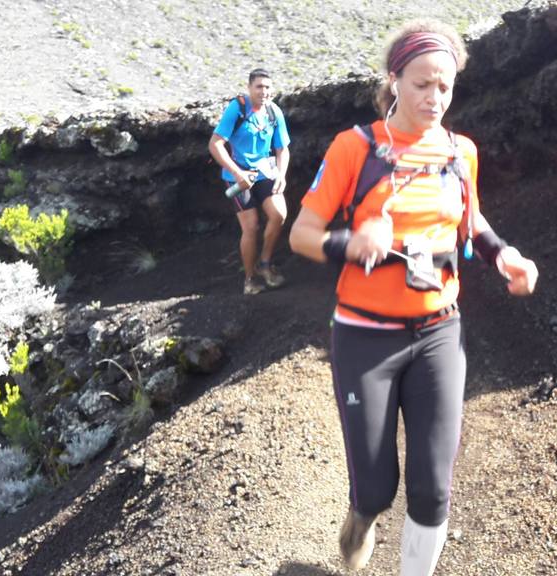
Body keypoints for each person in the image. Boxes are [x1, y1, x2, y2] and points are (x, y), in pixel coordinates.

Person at [289, 20, 538, 575]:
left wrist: (505, 256)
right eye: (422, 84)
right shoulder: (355, 148)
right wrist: (352, 242)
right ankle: (361, 518)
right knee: (376, 488)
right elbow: (301, 236)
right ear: (394, 80)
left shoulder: (460, 151)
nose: (435, 98)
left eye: (445, 87)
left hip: (438, 332)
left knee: (432, 489)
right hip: (364, 337)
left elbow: (472, 221)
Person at [208, 68, 291, 295]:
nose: (264, 91)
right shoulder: (238, 108)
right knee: (251, 226)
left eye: (267, 87)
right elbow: (215, 144)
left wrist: (281, 174)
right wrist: (237, 173)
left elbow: (282, 148)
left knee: (279, 214)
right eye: (259, 86)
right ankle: (249, 279)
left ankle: (265, 264)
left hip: (264, 172)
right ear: (249, 87)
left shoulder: (274, 111)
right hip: (236, 177)